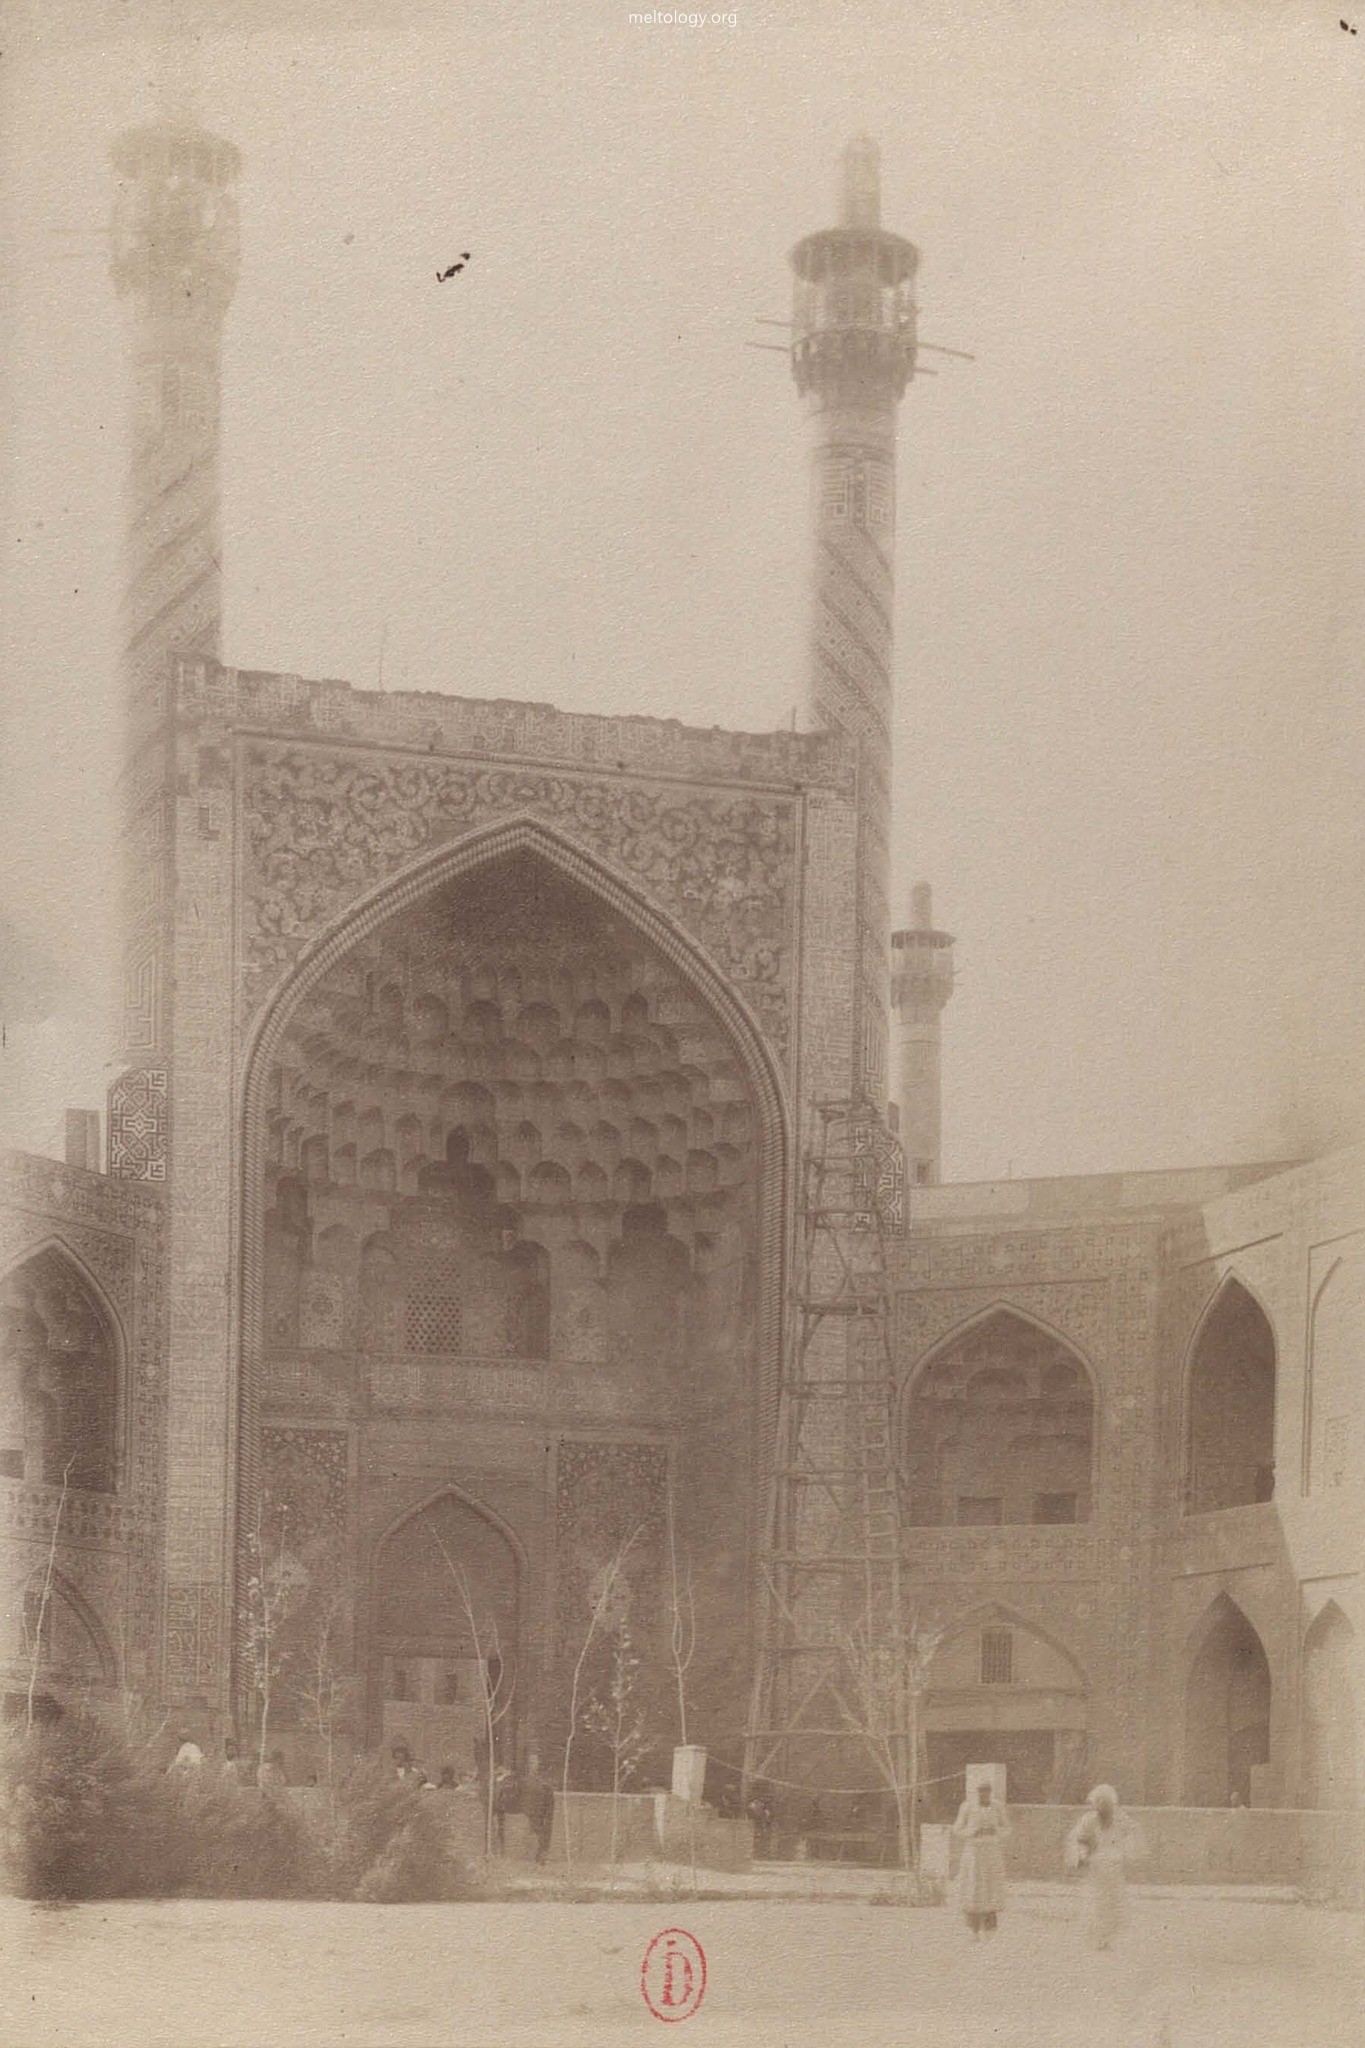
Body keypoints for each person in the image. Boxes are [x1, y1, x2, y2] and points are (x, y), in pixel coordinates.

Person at [1065, 1784, 1144, 1949]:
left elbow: (1133, 1834)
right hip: (1098, 1865)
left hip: (1113, 1865)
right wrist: (1083, 1855)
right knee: (1098, 1901)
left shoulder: (1120, 1819)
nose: (1103, 1806)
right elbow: (1079, 1839)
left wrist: (1126, 1853)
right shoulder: (1090, 1819)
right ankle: (1100, 1937)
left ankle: (1108, 1937)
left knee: (1112, 1902)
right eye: (1100, 1802)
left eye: (1106, 1802)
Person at [951, 1779, 1011, 1939]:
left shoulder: (997, 1807)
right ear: (975, 1792)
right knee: (974, 1888)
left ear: (990, 1792)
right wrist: (972, 1832)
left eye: (986, 1791)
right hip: (973, 1854)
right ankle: (973, 1929)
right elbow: (957, 1829)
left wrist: (995, 1831)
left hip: (991, 1853)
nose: (983, 1794)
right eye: (980, 1791)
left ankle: (990, 1928)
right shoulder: (967, 1807)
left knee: (990, 1889)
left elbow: (1007, 1828)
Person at [519, 1755, 556, 1864]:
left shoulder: (540, 1781)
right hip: (532, 1808)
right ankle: (539, 1853)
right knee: (538, 1828)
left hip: (536, 1808)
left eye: (534, 1763)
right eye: (531, 1763)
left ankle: (541, 1853)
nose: (533, 1765)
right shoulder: (528, 1780)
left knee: (539, 1827)